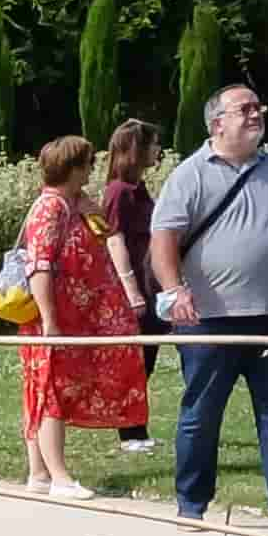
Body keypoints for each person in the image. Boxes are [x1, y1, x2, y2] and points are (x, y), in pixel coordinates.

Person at [148, 80, 268, 525]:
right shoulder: (190, 174)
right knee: (202, 413)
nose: (257, 115)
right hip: (208, 322)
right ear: (217, 123)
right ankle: (191, 505)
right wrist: (174, 291)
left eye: (259, 107)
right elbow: (164, 239)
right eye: (244, 109)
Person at [15, 134, 146, 498]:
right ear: (73, 168)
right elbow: (39, 267)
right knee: (52, 391)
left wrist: (90, 210)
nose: (92, 169)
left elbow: (104, 236)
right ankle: (59, 476)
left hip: (70, 317)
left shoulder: (71, 205)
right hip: (54, 320)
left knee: (43, 390)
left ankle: (39, 473)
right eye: (87, 163)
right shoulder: (51, 208)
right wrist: (51, 322)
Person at [94, 118, 163, 454]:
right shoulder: (118, 192)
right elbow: (114, 240)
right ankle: (129, 432)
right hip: (134, 287)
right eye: (152, 144)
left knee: (146, 359)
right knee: (136, 360)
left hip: (150, 284)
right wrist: (131, 290)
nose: (157, 150)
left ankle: (137, 427)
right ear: (137, 148)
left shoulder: (138, 188)